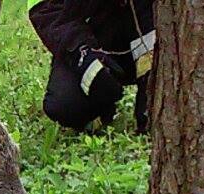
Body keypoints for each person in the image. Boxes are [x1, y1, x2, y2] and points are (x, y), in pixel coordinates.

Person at [28, 0, 155, 133]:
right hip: (90, 35)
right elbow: (45, 10)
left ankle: (151, 99)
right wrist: (83, 55)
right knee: (64, 105)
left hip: (145, 29)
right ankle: (101, 108)